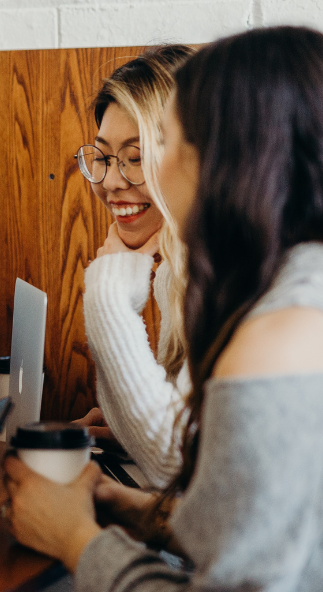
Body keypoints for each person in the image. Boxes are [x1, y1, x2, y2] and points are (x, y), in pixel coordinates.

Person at [5, 25, 323, 590]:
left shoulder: (282, 332)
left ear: (228, 157)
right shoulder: (294, 287)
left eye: (168, 141)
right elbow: (254, 527)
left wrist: (75, 540)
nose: (119, 180)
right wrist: (141, 513)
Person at [73, 45, 195, 488]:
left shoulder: (229, 276)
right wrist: (128, 427)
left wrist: (107, 294)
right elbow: (184, 446)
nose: (110, 181)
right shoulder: (176, 272)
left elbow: (175, 465)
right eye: (103, 157)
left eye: (136, 156)